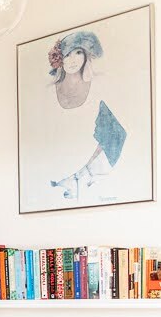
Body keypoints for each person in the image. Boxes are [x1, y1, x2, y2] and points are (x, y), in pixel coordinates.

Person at [46, 30, 126, 200]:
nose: (73, 60)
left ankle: (82, 177)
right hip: (56, 154)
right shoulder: (49, 91)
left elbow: (116, 132)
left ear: (86, 56)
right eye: (68, 54)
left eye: (78, 52)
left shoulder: (99, 85)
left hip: (88, 158)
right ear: (60, 58)